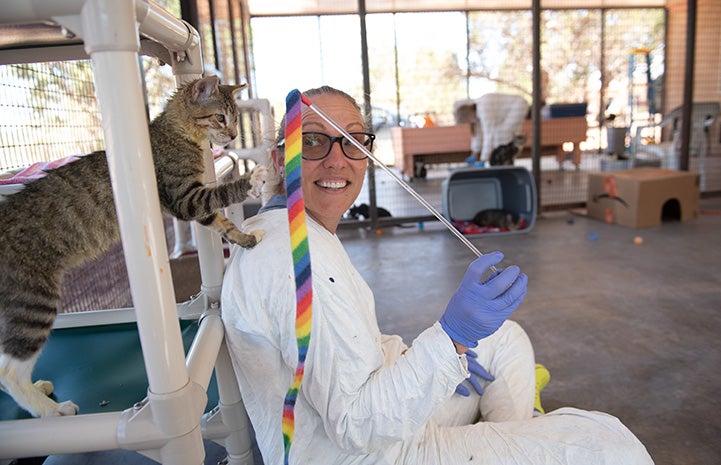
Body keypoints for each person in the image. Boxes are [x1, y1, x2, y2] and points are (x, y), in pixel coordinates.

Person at [221, 86, 654, 465]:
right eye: (312, 142)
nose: (338, 160)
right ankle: (522, 434)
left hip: (381, 428)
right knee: (613, 445)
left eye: (353, 140)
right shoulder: (294, 260)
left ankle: (517, 435)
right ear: (279, 160)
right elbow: (357, 425)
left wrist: (432, 361)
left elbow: (353, 353)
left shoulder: (297, 232)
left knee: (506, 339)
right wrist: (451, 340)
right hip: (369, 453)